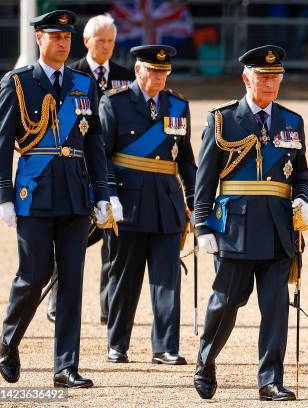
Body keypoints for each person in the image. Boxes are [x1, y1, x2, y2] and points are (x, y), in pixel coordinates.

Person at [0, 10, 111, 387]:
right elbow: (0, 145)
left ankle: (65, 367)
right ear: (39, 39)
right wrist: (2, 195)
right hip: (35, 191)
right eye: (55, 36)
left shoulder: (83, 84)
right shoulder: (18, 82)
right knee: (33, 275)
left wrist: (103, 194)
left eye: (67, 37)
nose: (63, 43)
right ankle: (9, 343)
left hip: (76, 194)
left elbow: (94, 144)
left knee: (72, 280)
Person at [192, 45, 308, 401]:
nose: (271, 83)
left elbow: (301, 174)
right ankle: (205, 360)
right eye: (263, 77)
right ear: (247, 78)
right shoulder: (223, 119)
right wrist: (202, 225)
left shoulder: (292, 121)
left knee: (275, 307)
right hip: (236, 228)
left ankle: (270, 379)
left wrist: (303, 197)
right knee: (225, 303)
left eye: (276, 77)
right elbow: (205, 178)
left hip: (278, 229)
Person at [99, 45, 196, 365]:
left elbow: (186, 161)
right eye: (152, 70)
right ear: (137, 70)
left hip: (167, 205)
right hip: (128, 203)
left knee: (167, 279)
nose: (158, 77)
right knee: (124, 278)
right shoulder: (114, 104)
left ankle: (165, 346)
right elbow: (102, 156)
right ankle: (117, 344)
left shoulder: (178, 107)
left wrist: (197, 203)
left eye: (163, 72)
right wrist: (109, 195)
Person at [47, 13, 134, 325]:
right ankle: (58, 301)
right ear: (86, 42)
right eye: (101, 41)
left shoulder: (126, 77)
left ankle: (108, 307)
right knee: (70, 242)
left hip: (114, 175)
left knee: (113, 242)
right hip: (75, 169)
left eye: (111, 41)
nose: (107, 47)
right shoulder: (71, 76)